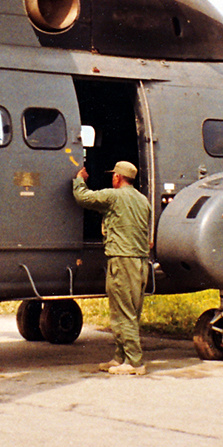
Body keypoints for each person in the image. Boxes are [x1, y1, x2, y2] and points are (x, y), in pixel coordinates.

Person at [73, 161, 151, 375]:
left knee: (122, 311)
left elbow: (83, 198)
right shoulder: (143, 200)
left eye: (113, 176)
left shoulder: (114, 196)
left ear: (117, 177)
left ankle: (134, 362)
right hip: (139, 261)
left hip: (122, 260)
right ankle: (121, 357)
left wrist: (80, 180)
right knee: (130, 310)